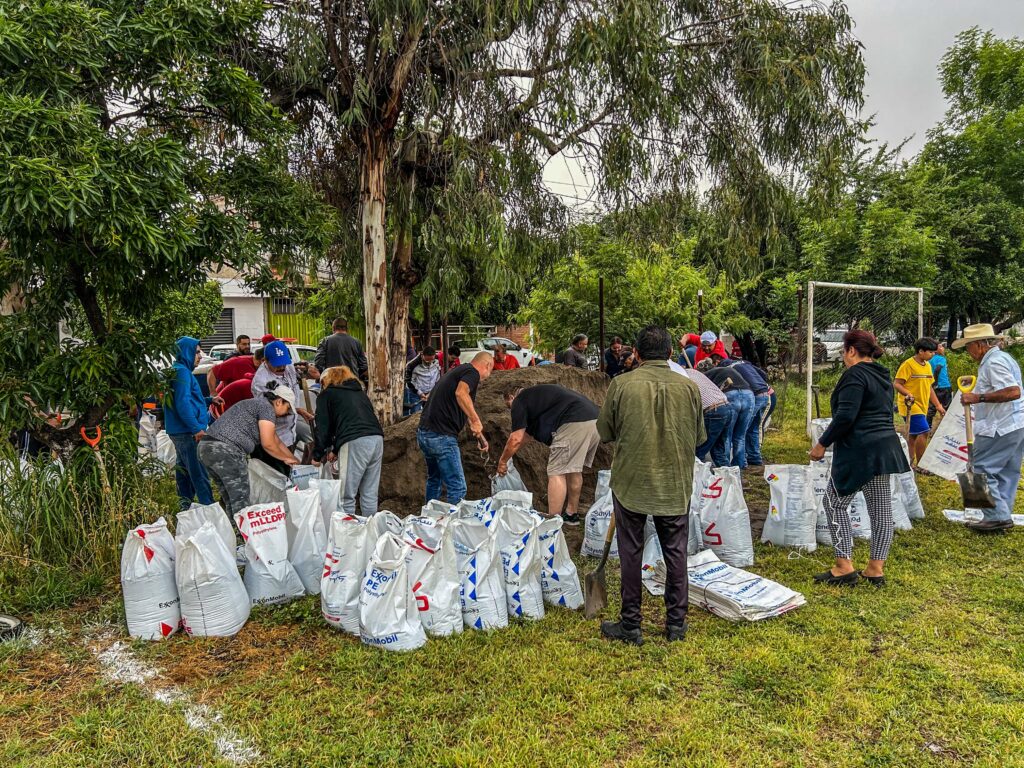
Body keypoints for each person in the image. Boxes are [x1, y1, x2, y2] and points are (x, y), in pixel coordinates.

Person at [597, 326, 705, 645]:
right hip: (675, 484)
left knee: (631, 553)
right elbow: (699, 438)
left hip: (631, 483)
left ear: (637, 353)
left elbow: (605, 432)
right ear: (670, 353)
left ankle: (631, 625)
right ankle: (676, 624)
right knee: (676, 553)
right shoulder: (690, 387)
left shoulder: (621, 384)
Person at [809, 330, 910, 586]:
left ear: (852, 350)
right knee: (881, 511)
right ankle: (875, 569)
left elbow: (846, 416)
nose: (844, 356)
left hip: (859, 449)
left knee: (834, 503)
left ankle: (843, 565)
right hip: (884, 448)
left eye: (844, 351)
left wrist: (822, 443)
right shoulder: (882, 374)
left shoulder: (854, 374)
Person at [496, 384, 600, 526]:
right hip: (594, 421)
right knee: (573, 470)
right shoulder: (538, 398)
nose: (510, 409)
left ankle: (552, 523)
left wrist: (502, 461)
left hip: (573, 423)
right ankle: (571, 514)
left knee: (556, 473)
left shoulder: (520, 400)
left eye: (508, 406)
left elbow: (516, 438)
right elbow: (526, 437)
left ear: (511, 397)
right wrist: (509, 454)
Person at [954, 324, 1024, 533]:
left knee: (979, 468)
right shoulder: (1003, 358)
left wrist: (978, 397)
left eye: (968, 347)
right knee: (1006, 471)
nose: (968, 352)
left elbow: (1013, 391)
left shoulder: (993, 362)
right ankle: (1001, 515)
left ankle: (995, 516)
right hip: (1015, 424)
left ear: (979, 344)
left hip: (999, 426)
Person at [198, 387, 299, 516]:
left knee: (229, 498)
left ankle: (234, 527)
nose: (286, 413)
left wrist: (294, 460)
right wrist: (285, 459)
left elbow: (276, 441)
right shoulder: (267, 408)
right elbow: (268, 444)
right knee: (240, 499)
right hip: (226, 450)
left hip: (206, 447)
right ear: (279, 401)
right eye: (287, 408)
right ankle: (243, 528)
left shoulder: (257, 404)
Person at [416, 352, 494, 503]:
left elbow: (461, 405)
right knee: (457, 487)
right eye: (490, 371)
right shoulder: (472, 372)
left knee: (434, 479)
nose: (488, 376)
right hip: (441, 436)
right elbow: (461, 393)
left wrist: (479, 436)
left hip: (425, 434)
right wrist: (476, 420)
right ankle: (454, 519)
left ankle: (429, 515)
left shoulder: (457, 371)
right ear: (488, 365)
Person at [314, 366, 385, 516]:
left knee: (346, 495)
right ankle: (371, 526)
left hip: (354, 441)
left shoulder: (327, 395)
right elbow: (352, 419)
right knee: (370, 493)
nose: (321, 386)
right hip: (376, 438)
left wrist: (317, 455)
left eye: (321, 383)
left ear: (326, 380)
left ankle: (348, 528)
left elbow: (323, 428)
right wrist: (335, 450)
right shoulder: (359, 392)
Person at [165, 337, 216, 509]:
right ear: (186, 352)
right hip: (187, 431)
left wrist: (209, 400)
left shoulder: (179, 370)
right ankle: (209, 509)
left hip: (181, 430)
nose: (200, 356)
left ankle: (185, 508)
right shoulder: (182, 372)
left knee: (184, 473)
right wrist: (196, 429)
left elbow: (189, 399)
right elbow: (182, 403)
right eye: (196, 352)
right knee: (198, 473)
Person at [668, 359, 733, 466]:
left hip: (713, 411)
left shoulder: (680, 379)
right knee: (718, 451)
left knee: (698, 452)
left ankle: (697, 475)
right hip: (726, 406)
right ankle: (728, 474)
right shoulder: (693, 372)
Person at [894, 338, 946, 468]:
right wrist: (908, 394)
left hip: (923, 405)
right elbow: (897, 383)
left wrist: (938, 405)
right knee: (924, 431)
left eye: (934, 352)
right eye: (930, 352)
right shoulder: (908, 365)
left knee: (913, 435)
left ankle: (910, 462)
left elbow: (929, 388)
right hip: (910, 405)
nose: (933, 354)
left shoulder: (927, 366)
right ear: (921, 351)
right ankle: (922, 465)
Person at [251, 340, 314, 447]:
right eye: (277, 364)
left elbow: (301, 376)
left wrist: (307, 372)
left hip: (291, 429)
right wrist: (297, 410)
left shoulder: (288, 366)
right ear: (265, 361)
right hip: (275, 435)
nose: (282, 367)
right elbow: (272, 411)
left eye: (283, 363)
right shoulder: (261, 382)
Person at [699, 356, 755, 468]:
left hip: (731, 394)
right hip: (748, 394)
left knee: (726, 435)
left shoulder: (705, 376)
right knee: (740, 435)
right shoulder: (726, 369)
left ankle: (725, 466)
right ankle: (739, 466)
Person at [718, 356, 773, 466]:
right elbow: (764, 375)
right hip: (765, 394)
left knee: (740, 432)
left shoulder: (729, 369)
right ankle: (754, 458)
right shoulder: (744, 363)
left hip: (754, 395)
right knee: (753, 428)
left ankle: (738, 462)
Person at [314, 317, 368, 382]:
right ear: (347, 329)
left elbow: (318, 364)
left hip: (331, 383)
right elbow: (364, 367)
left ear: (333, 328)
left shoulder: (325, 341)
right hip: (352, 383)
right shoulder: (357, 343)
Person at [404, 346, 441, 415]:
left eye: (432, 360)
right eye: (427, 360)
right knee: (415, 413)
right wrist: (420, 393)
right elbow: (409, 382)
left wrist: (432, 392)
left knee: (431, 413)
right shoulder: (412, 365)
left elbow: (438, 377)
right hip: (416, 393)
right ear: (422, 355)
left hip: (431, 392)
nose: (430, 362)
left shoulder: (437, 359)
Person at [928, 341, 953, 426]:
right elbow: (938, 369)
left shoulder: (930, 359)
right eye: (941, 347)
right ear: (936, 349)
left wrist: (933, 383)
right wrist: (936, 382)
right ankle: (947, 426)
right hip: (944, 386)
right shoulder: (941, 358)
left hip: (934, 387)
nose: (943, 349)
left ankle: (928, 427)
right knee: (947, 408)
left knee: (932, 408)